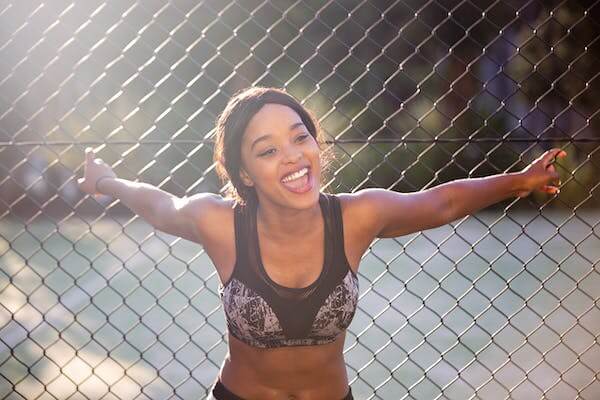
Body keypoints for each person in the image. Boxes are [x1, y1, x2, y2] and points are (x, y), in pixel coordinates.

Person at [77, 86, 566, 400]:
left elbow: (437, 203)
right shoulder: (221, 222)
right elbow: (159, 205)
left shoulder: (356, 217)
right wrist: (106, 183)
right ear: (244, 172)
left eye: (300, 137)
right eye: (267, 150)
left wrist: (518, 181)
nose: (292, 157)